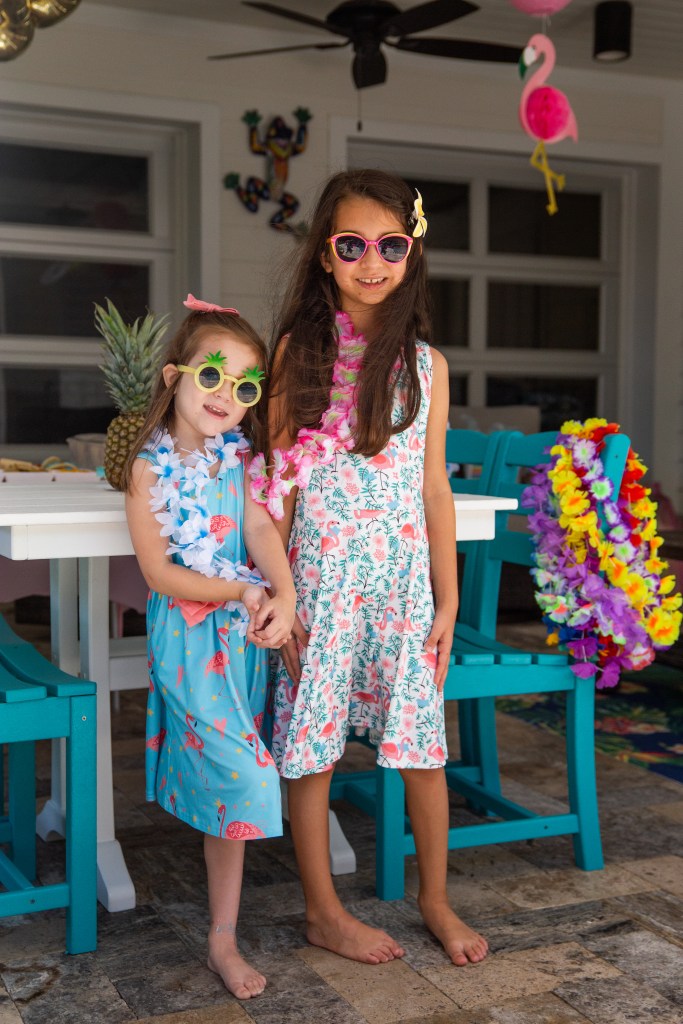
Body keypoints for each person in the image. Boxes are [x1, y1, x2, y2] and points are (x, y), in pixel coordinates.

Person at [250, 170, 489, 967]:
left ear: (410, 252)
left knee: (421, 751)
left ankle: (434, 898)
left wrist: (446, 597)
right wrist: (280, 590)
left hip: (400, 589)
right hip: (319, 583)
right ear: (326, 255)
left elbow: (433, 487)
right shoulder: (297, 353)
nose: (371, 262)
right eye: (352, 245)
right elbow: (277, 485)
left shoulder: (427, 366)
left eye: (390, 245)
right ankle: (322, 909)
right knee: (311, 748)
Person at [124, 295, 296, 1000]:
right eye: (213, 376)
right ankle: (222, 938)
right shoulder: (145, 469)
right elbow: (158, 572)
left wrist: (280, 593)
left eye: (244, 386)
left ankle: (220, 937)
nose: (228, 396)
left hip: (247, 641)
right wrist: (241, 594)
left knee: (229, 793)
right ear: (173, 376)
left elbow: (259, 535)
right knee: (247, 777)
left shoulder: (246, 459)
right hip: (193, 642)